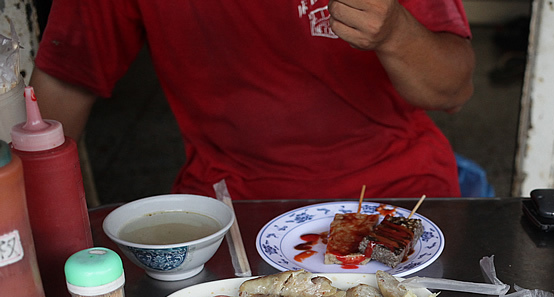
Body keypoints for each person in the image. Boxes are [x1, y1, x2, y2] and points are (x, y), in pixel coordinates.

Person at [29, 0, 475, 200]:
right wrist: (23, 224)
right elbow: (65, 84)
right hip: (230, 200)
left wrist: (395, 31)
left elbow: (453, 91)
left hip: (396, 189)